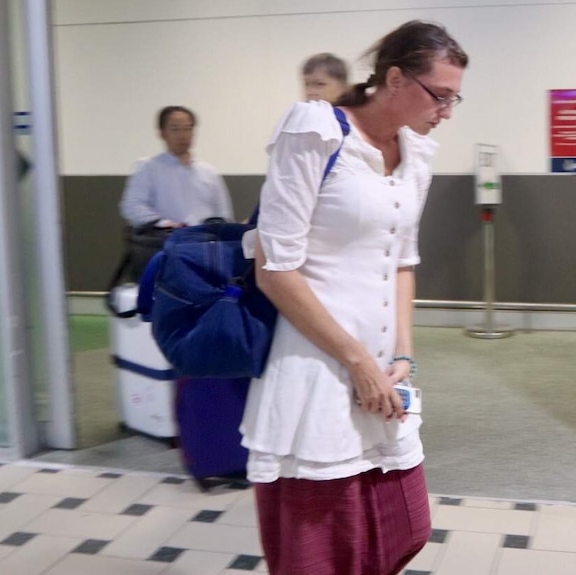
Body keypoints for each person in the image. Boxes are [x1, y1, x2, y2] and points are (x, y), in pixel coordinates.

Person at [240, 20, 468, 575]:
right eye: (441, 95)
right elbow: (275, 268)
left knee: (403, 527)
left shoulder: (415, 154)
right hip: (318, 368)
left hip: (382, 373)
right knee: (323, 546)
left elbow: (403, 262)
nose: (448, 111)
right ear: (395, 78)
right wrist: (356, 361)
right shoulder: (318, 132)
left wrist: (402, 358)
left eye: (455, 98)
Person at [120, 106, 233, 228]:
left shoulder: (209, 172)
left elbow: (223, 213)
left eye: (187, 129)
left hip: (205, 241)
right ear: (162, 133)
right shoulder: (148, 168)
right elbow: (132, 206)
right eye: (175, 129)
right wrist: (163, 223)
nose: (182, 135)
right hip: (165, 239)